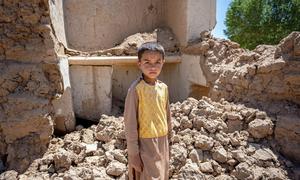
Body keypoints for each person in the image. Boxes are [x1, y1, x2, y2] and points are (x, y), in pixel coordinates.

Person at [124, 42, 172, 180]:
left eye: (157, 62)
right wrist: (133, 154)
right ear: (139, 63)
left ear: (163, 62)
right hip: (145, 144)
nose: (153, 67)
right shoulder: (136, 89)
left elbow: (167, 116)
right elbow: (130, 124)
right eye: (147, 62)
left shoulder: (164, 88)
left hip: (163, 142)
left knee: (163, 175)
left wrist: (170, 141)